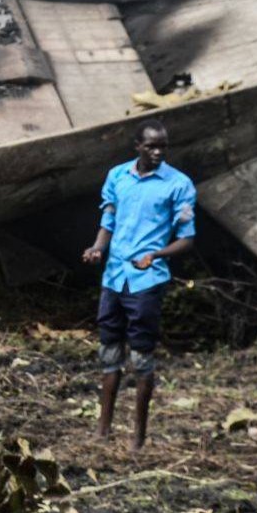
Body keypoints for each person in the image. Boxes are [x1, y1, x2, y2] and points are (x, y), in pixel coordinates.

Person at [80, 119, 195, 453]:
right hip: (114, 277)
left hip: (147, 281)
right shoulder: (117, 177)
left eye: (163, 146)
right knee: (109, 350)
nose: (158, 152)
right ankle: (103, 431)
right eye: (151, 146)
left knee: (142, 357)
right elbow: (109, 221)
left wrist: (155, 255)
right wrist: (97, 248)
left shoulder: (179, 185)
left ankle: (138, 438)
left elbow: (187, 238)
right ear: (137, 146)